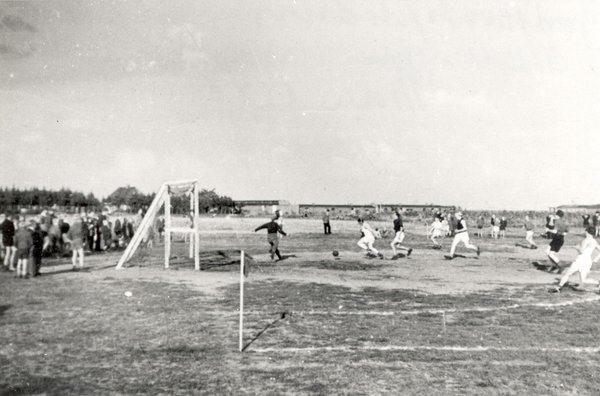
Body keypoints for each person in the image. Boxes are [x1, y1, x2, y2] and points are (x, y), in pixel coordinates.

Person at [550, 226, 600, 293]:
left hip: (580, 260)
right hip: (588, 261)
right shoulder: (594, 241)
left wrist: (576, 247)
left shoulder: (585, 240)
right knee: (583, 280)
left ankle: (559, 287)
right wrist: (596, 259)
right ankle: (598, 282)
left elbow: (581, 251)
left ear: (587, 232)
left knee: (568, 274)